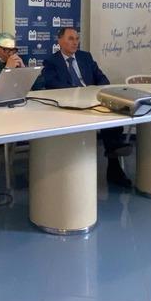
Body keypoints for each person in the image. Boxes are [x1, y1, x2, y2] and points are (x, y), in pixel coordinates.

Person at [42, 27, 132, 188]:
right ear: (60, 41)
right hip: (71, 105)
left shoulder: (85, 57)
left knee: (111, 114)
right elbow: (52, 84)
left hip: (92, 100)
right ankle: (114, 154)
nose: (75, 42)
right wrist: (78, 94)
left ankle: (114, 162)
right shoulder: (51, 62)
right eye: (71, 39)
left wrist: (100, 91)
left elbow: (101, 78)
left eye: (77, 39)